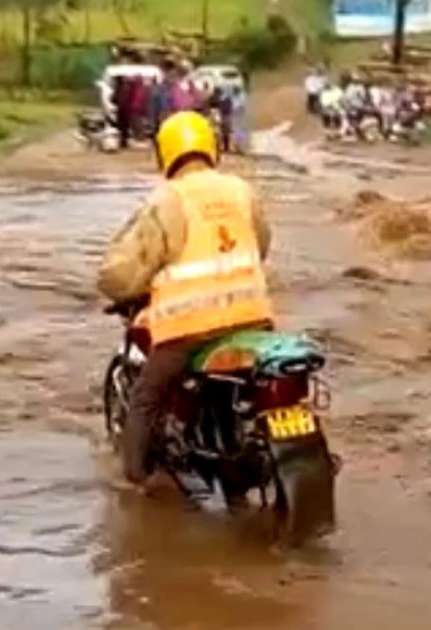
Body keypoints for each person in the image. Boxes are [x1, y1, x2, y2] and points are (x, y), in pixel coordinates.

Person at [96, 111, 274, 487]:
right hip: (254, 320)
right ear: (212, 147)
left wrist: (117, 289)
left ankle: (135, 482)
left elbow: (127, 268)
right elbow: (260, 245)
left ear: (166, 153)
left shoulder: (167, 200)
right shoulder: (242, 190)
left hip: (190, 330)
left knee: (145, 397)